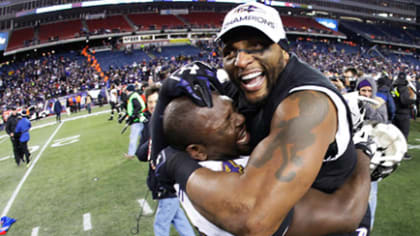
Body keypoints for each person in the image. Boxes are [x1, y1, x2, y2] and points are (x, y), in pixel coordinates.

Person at [151, 3, 371, 235]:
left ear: (283, 49)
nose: (241, 61)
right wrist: (166, 91)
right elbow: (169, 138)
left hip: (321, 221)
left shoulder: (308, 104)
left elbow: (255, 220)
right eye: (230, 52)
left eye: (257, 46)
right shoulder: (236, 84)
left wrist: (175, 163)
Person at [162, 93, 370, 236]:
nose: (240, 118)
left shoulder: (195, 164)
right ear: (196, 150)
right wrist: (363, 151)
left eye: (234, 110)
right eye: (227, 121)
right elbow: (346, 212)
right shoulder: (221, 191)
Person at [136, 84, 196, 236]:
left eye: (156, 102)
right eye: (150, 102)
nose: (152, 105)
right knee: (178, 219)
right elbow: (141, 154)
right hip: (157, 182)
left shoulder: (171, 125)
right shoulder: (148, 125)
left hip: (169, 183)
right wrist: (151, 140)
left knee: (160, 224)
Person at [355, 76, 388, 231]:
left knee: (370, 192)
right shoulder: (351, 101)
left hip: (372, 153)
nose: (366, 93)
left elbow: (383, 123)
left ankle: (368, 227)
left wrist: (367, 106)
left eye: (369, 90)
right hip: (353, 151)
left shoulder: (379, 103)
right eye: (363, 90)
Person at [391, 72, 417, 160]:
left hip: (395, 112)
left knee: (394, 133)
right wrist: (413, 101)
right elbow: (405, 101)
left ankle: (393, 151)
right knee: (403, 134)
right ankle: (402, 153)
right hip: (403, 113)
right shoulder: (403, 88)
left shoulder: (393, 87)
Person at [124, 84, 147, 159]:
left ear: (128, 90)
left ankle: (131, 154)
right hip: (139, 118)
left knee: (133, 137)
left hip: (136, 120)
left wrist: (133, 115)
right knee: (144, 136)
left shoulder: (133, 97)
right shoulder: (135, 95)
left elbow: (138, 107)